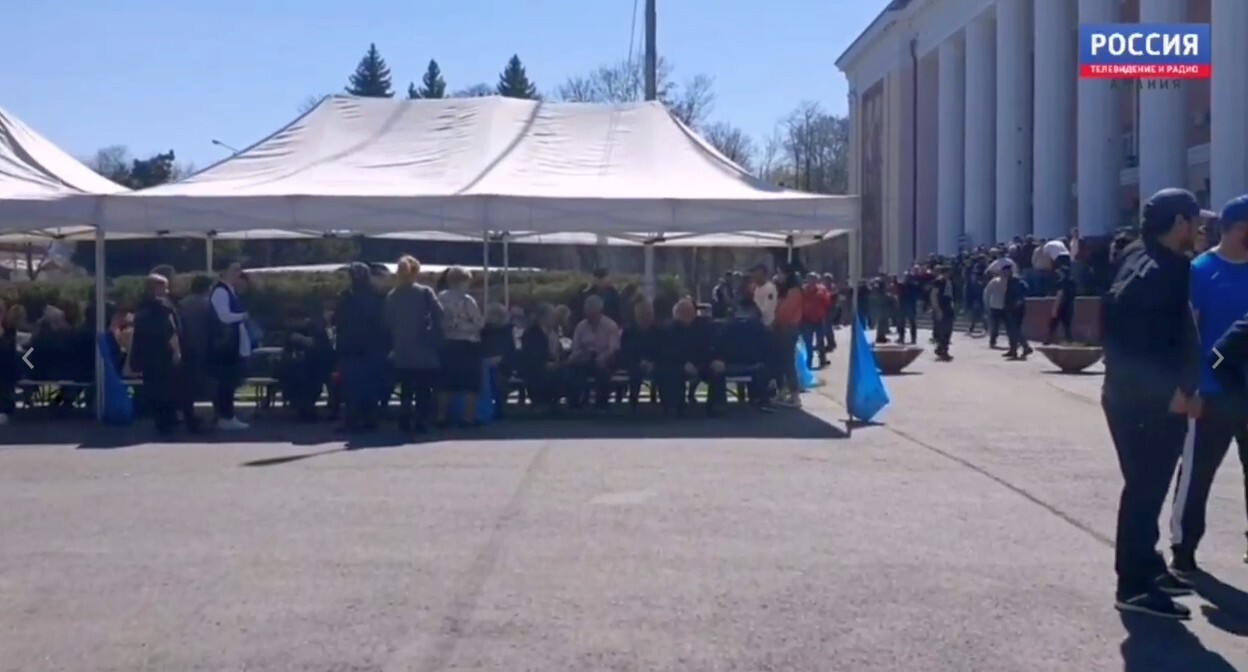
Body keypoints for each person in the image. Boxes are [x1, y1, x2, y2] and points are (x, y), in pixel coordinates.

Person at [1101, 187, 1203, 620]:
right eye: (1195, 222)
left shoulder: (1134, 256)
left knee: (1145, 489)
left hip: (1126, 396)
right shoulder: (1168, 271)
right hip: (1151, 402)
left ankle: (1148, 565)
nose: (1198, 231)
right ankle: (1134, 584)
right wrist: (1175, 391)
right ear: (1180, 223)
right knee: (1144, 492)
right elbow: (1158, 338)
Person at [1168, 195, 1248, 576]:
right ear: (1235, 229)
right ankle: (1183, 549)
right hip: (1212, 395)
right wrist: (1193, 386)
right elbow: (1189, 335)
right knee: (1197, 474)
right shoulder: (1201, 272)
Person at [130, 273, 197, 436]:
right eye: (165, 288)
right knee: (170, 389)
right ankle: (170, 420)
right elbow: (171, 332)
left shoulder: (141, 309)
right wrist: (177, 352)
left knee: (154, 390)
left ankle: (162, 422)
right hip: (164, 355)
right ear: (157, 288)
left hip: (148, 356)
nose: (167, 291)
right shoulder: (164, 308)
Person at [384, 255, 443, 433]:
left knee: (406, 387)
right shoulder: (425, 292)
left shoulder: (392, 296)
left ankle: (404, 418)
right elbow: (439, 314)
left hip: (402, 348)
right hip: (424, 347)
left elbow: (387, 322)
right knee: (423, 388)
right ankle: (421, 421)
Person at [333, 262, 388, 432]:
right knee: (368, 383)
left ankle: (354, 419)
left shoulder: (346, 296)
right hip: (370, 347)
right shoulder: (377, 296)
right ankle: (369, 418)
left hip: (353, 347)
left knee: (353, 385)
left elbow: (337, 320)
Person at [434, 266, 484, 428]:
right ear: (462, 282)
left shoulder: (440, 298)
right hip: (468, 344)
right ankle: (468, 418)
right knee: (471, 384)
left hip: (447, 343)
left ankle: (441, 416)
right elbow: (479, 323)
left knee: (446, 383)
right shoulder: (467, 300)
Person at [208, 263, 252, 430]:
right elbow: (223, 316)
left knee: (229, 382)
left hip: (231, 344)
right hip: (225, 346)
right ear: (224, 272)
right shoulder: (220, 291)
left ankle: (227, 415)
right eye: (234, 270)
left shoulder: (229, 290)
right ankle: (225, 417)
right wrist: (242, 316)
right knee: (226, 382)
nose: (238, 273)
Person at [567, 294, 620, 410]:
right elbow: (575, 348)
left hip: (605, 360)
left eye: (593, 314)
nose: (590, 317)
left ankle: (601, 404)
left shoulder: (610, 326)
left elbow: (613, 348)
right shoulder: (581, 327)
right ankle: (575, 403)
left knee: (603, 372)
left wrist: (602, 357)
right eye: (588, 313)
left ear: (600, 311)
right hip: (584, 361)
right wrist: (583, 356)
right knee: (572, 371)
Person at [772, 265, 804, 409]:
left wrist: (775, 319)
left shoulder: (794, 291)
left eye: (780, 273)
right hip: (781, 328)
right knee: (780, 362)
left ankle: (794, 395)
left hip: (788, 328)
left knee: (788, 362)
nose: (778, 276)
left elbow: (786, 311)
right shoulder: (782, 290)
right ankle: (782, 392)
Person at [620, 300, 661, 412]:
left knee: (664, 369)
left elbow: (662, 349)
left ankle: (665, 404)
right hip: (634, 362)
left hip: (654, 362)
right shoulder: (628, 331)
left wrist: (652, 362)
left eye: (649, 314)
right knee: (634, 371)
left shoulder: (658, 330)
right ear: (636, 315)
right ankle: (633, 402)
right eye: (643, 314)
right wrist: (640, 361)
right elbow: (625, 351)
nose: (647, 317)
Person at [1001, 265, 1033, 360]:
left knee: (1015, 330)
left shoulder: (1015, 281)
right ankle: (1013, 350)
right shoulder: (1009, 281)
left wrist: (1016, 305)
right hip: (1010, 308)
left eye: (1005, 271)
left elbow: (1020, 295)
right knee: (1011, 330)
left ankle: (1026, 347)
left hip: (1015, 310)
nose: (1004, 273)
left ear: (1009, 271)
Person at [1044, 267, 1077, 344]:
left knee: (1053, 324)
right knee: (1067, 325)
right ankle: (1069, 340)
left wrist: (1055, 309)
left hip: (1061, 306)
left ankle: (1048, 340)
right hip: (1069, 306)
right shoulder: (1072, 282)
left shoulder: (1061, 282)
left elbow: (1060, 295)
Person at [929, 266, 955, 361]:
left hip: (948, 308)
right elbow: (933, 295)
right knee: (941, 330)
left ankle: (941, 349)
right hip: (941, 308)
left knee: (947, 329)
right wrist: (937, 309)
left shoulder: (949, 282)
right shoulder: (939, 282)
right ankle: (942, 349)